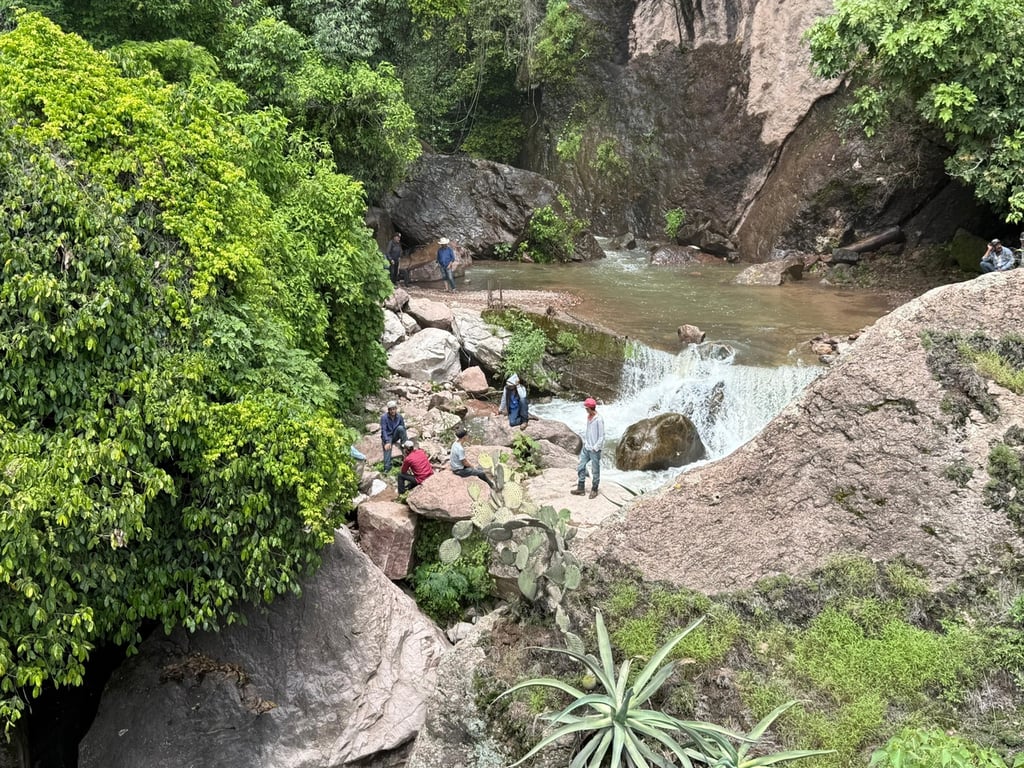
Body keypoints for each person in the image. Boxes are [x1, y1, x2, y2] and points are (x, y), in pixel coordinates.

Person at [571, 397, 605, 499]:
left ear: (590, 408)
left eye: (586, 408)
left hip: (594, 450)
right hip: (587, 447)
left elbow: (602, 436)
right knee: (581, 466)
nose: (585, 410)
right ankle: (581, 488)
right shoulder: (588, 417)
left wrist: (595, 448)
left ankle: (594, 489)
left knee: (595, 470)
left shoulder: (599, 419)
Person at [379, 400, 407, 473]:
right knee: (387, 449)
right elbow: (384, 430)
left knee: (401, 428)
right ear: (388, 410)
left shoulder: (399, 417)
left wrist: (403, 440)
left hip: (395, 434)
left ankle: (404, 445)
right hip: (388, 436)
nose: (392, 411)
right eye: (391, 409)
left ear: (396, 409)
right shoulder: (384, 417)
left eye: (394, 409)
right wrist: (386, 442)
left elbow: (403, 428)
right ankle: (387, 468)